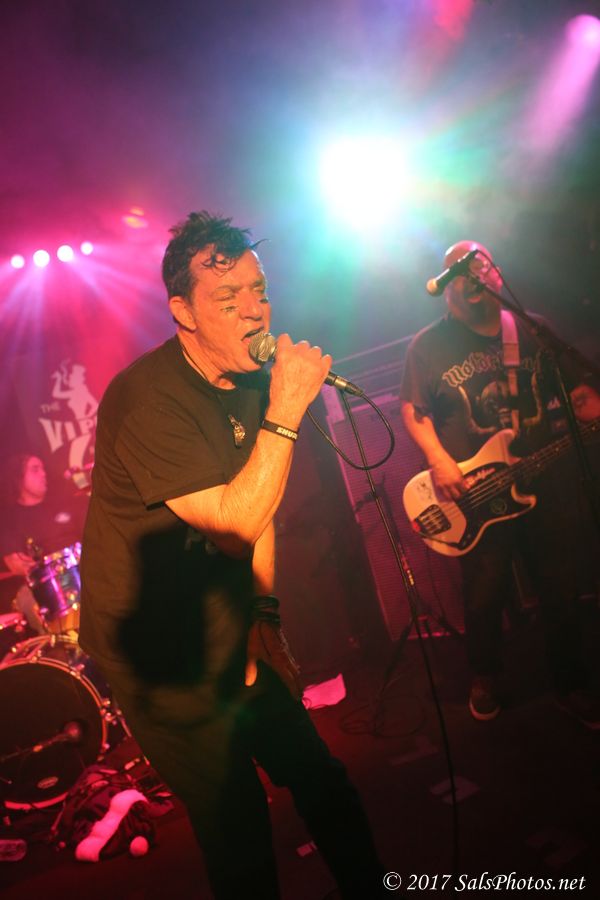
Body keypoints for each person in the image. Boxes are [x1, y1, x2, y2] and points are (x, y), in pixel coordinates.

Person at [79, 212, 385, 900]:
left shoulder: (251, 381)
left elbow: (260, 508)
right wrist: (288, 408)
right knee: (236, 818)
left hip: (222, 620)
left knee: (321, 779)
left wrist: (263, 620)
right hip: (156, 652)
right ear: (183, 312)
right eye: (228, 297)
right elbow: (233, 524)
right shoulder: (146, 399)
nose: (254, 310)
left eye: (260, 291)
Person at [400, 240, 600, 726]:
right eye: (459, 272)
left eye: (479, 266)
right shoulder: (429, 345)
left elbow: (578, 390)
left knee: (558, 585)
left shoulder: (531, 328)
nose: (472, 277)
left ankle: (570, 683)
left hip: (541, 479)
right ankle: (485, 676)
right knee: (485, 590)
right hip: (475, 493)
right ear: (447, 287)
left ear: (496, 273)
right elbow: (413, 409)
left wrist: (587, 400)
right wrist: (439, 460)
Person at [0, 453, 87, 634]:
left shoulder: (64, 502)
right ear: (19, 477)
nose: (43, 473)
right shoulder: (10, 520)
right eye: (35, 469)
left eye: (43, 468)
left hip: (84, 569)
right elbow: (16, 564)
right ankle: (59, 642)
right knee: (26, 599)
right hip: (46, 584)